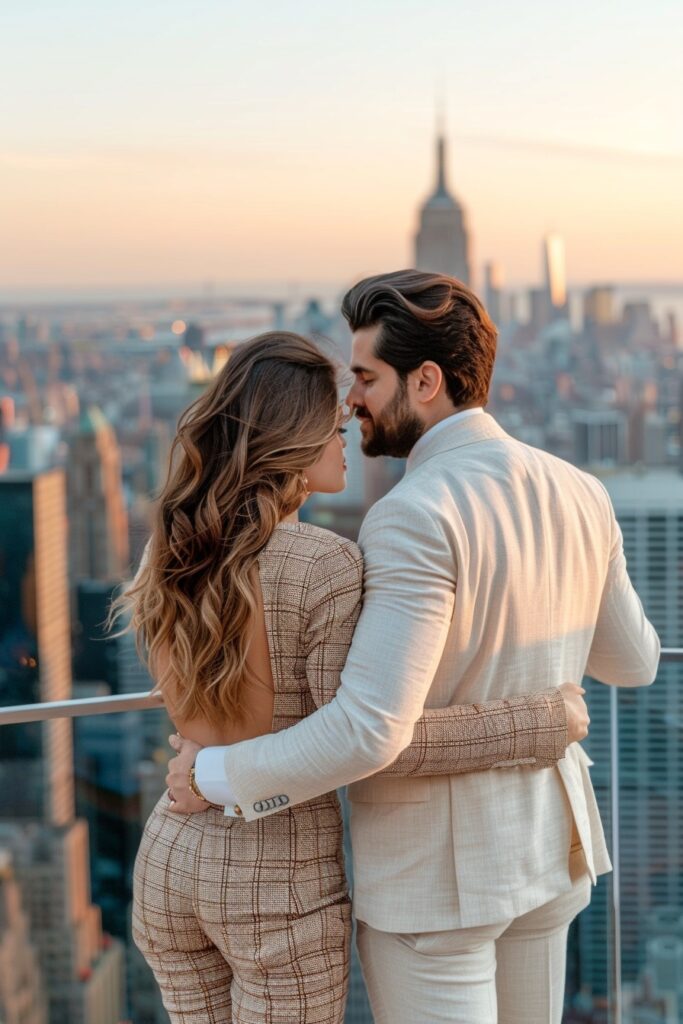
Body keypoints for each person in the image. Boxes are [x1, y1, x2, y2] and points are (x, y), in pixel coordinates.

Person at [169, 272, 660, 1024]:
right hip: (549, 853)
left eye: (365, 377)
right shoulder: (578, 491)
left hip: (438, 885)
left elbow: (369, 727)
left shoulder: (411, 515)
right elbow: (634, 661)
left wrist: (214, 774)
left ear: (425, 381)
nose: (351, 400)